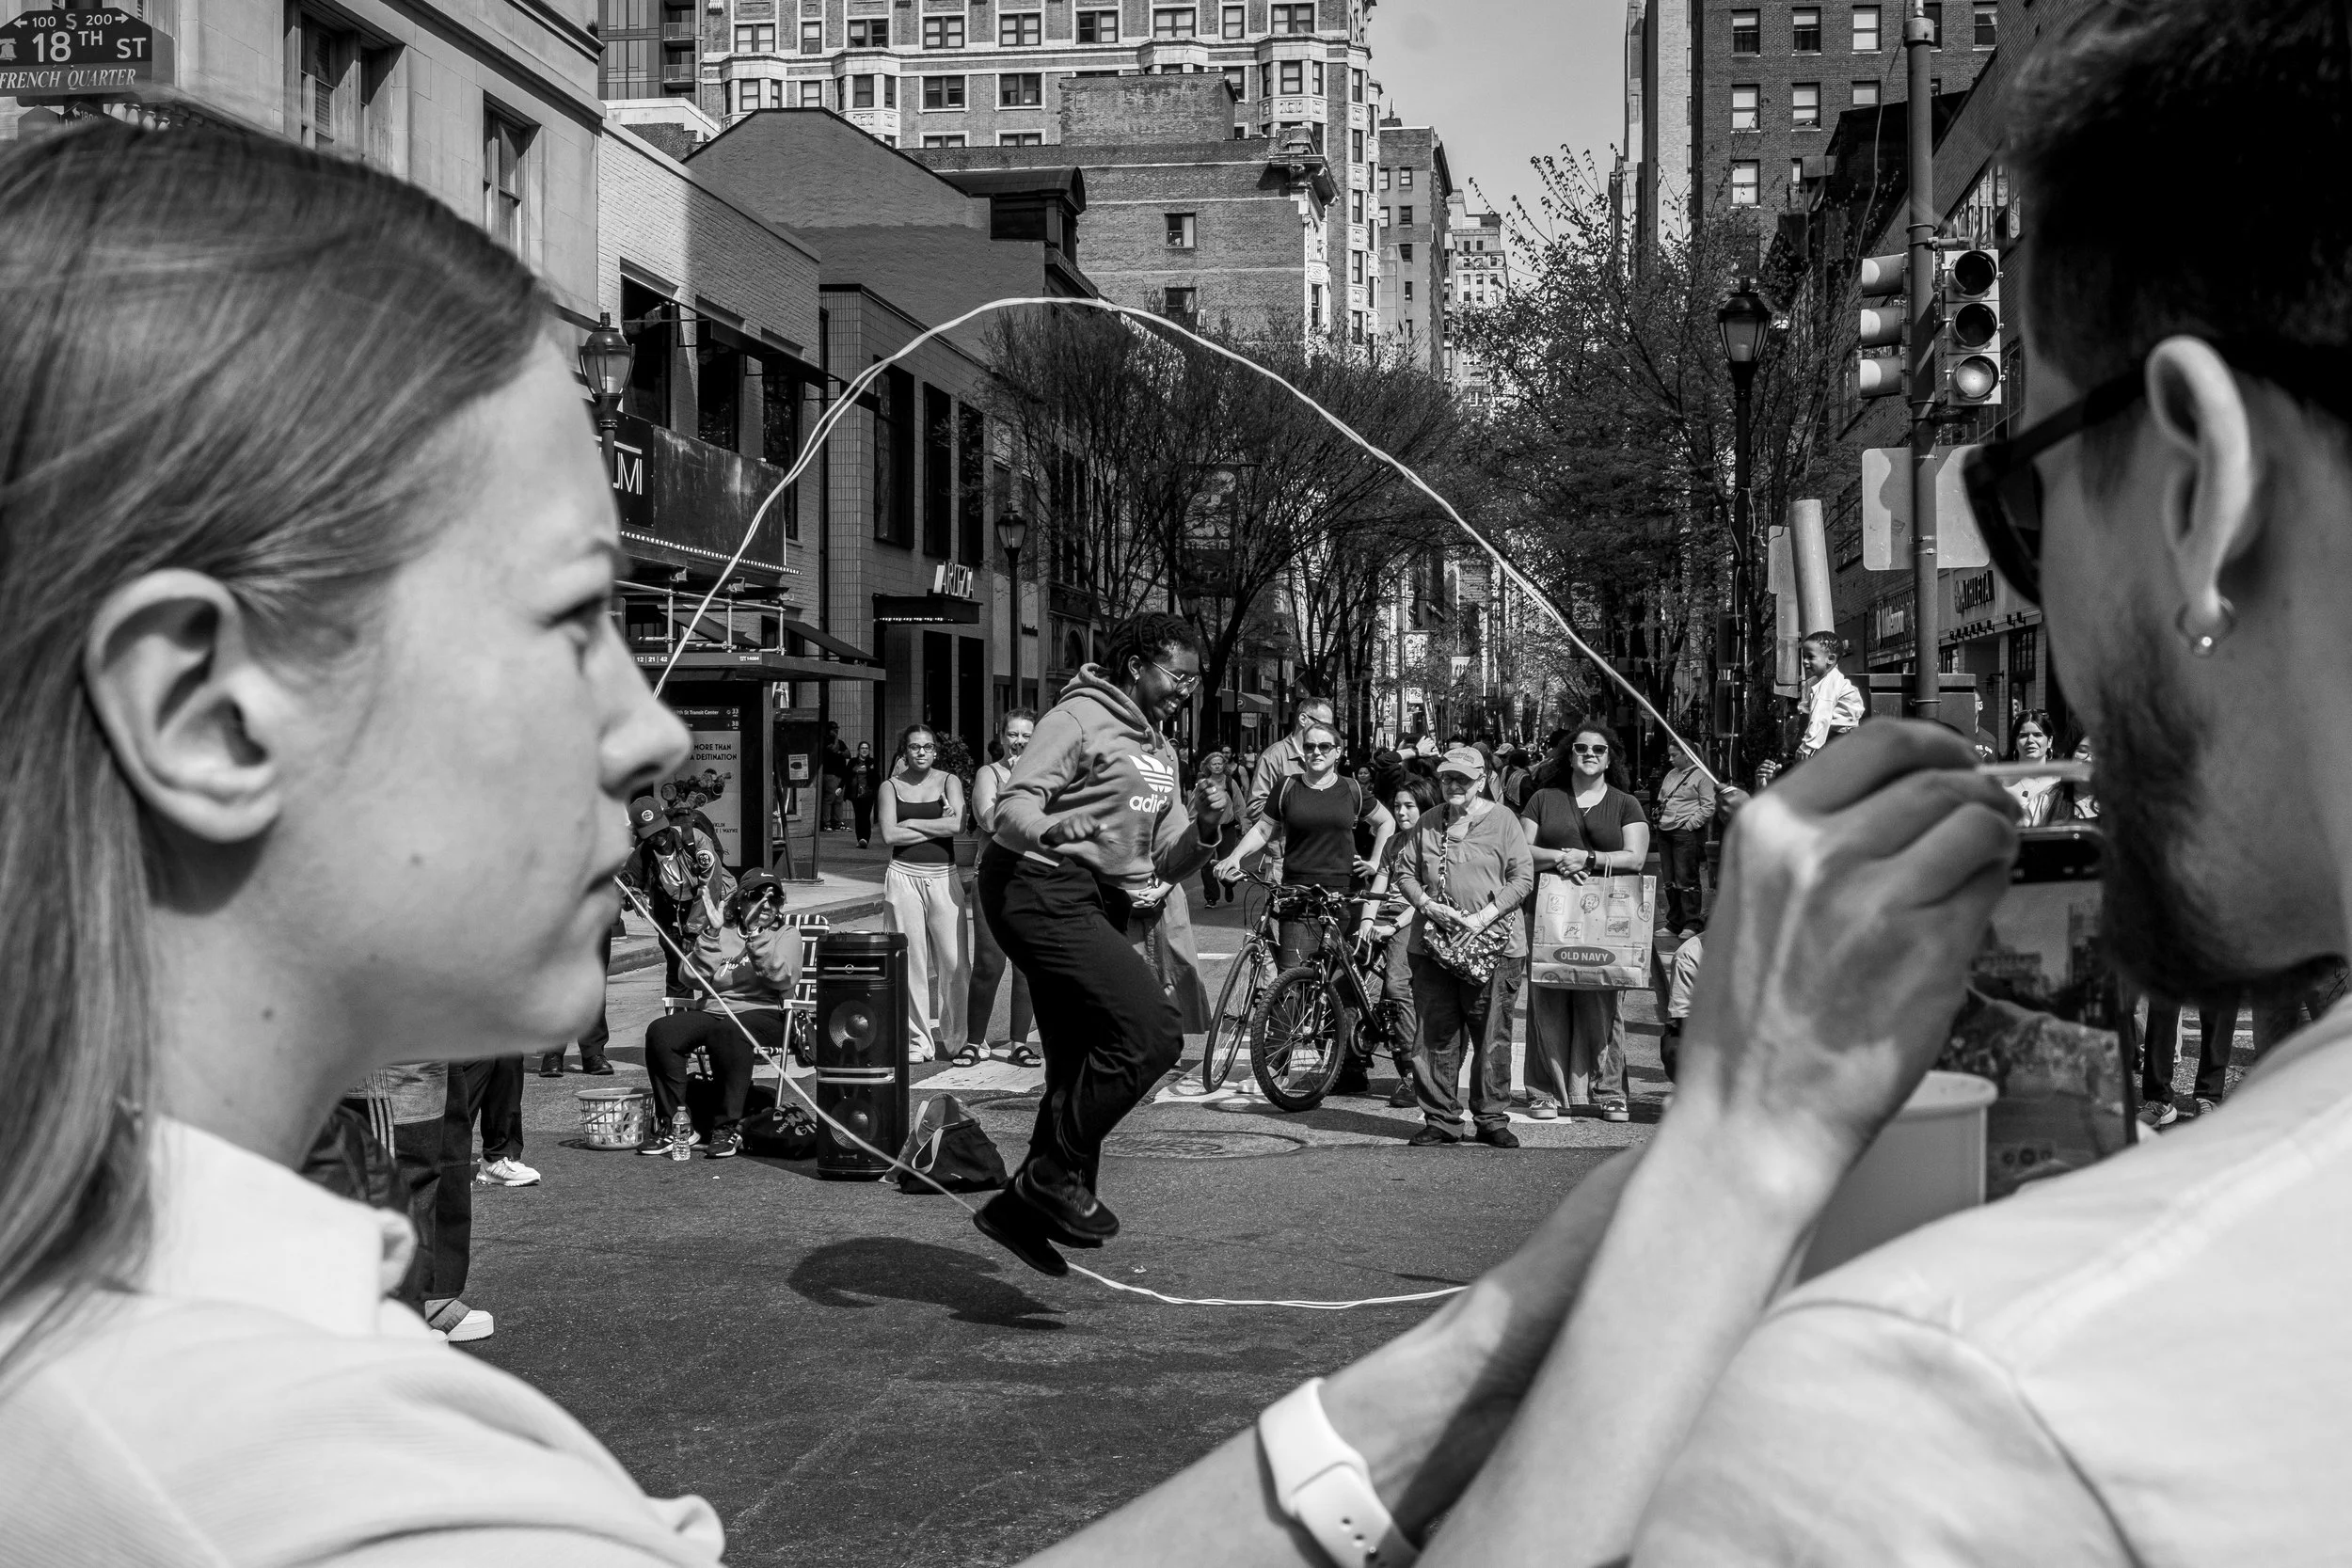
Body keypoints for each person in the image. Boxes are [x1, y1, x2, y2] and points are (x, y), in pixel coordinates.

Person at [1418, 10, 2352, 1560]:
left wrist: (1724, 1176)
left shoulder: (1935, 1416)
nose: (2046, 637)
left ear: (2200, 484)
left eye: (2020, 493)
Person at [974, 613, 1233, 1275]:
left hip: (1090, 897)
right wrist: (1054, 833)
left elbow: (1165, 859)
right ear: (1137, 663)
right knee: (1151, 1033)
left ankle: (1020, 1209)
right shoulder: (1079, 717)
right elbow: (1012, 807)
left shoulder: (1161, 750)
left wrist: (1204, 826)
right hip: (1033, 884)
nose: (1185, 689)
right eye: (1178, 675)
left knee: (1079, 1055)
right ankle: (1052, 1173)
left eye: (1193, 680)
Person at [1391, 746, 1533, 1148]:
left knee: (1492, 1033)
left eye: (1463, 779)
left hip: (1495, 946)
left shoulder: (1504, 820)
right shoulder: (1429, 822)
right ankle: (1441, 1118)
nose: (1453, 785)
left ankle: (1490, 1118)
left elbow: (1522, 879)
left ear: (1483, 780)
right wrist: (1426, 904)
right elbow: (1404, 871)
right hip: (1433, 944)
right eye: (1447, 778)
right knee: (1435, 1033)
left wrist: (1482, 918)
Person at [1518, 721, 1650, 1123]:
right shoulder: (1544, 798)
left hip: (1610, 917)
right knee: (1547, 1000)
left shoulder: (1626, 803)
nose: (1589, 754)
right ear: (1568, 754)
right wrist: (1565, 856)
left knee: (1605, 1001)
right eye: (1581, 748)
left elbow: (1636, 857)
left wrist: (1589, 859)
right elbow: (1523, 850)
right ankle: (1543, 1092)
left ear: (1611, 758)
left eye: (1599, 749)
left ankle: (1609, 1091)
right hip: (1549, 913)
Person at [638, 870, 803, 1159]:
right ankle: (675, 1126)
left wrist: (756, 938)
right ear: (740, 901)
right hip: (714, 1010)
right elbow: (689, 978)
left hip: (763, 1013)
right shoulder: (720, 933)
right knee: (662, 1031)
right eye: (757, 896)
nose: (766, 904)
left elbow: (782, 977)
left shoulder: (786, 934)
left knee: (729, 1031)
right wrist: (711, 935)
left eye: (774, 899)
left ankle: (727, 1127)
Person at [1216, 720, 1395, 973]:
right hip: (1297, 895)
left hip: (1345, 896)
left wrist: (1377, 861)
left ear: (1337, 752)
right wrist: (1235, 856)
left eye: (1324, 746)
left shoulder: (1352, 788)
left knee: (1342, 987)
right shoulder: (1287, 786)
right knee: (1292, 980)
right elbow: (1263, 829)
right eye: (1309, 746)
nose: (1316, 752)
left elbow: (1386, 821)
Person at [879, 723, 969, 1066]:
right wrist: (935, 824)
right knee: (911, 964)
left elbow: (957, 826)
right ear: (904, 751)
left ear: (935, 751)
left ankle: (959, 1039)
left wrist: (911, 825)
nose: (921, 752)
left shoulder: (949, 782)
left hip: (944, 877)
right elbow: (888, 835)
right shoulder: (890, 787)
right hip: (902, 878)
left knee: (955, 962)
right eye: (914, 746)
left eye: (928, 747)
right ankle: (918, 1040)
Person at [964, 709, 1039, 1066]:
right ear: (1002, 735)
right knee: (989, 962)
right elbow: (989, 819)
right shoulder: (988, 773)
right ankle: (974, 1041)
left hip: (1032, 877)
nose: (1019, 742)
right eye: (1013, 735)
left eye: (1026, 735)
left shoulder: (1043, 774)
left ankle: (1019, 1043)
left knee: (1026, 965)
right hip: (992, 876)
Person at [1360, 776, 1436, 1107]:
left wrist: (1393, 926)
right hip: (1384, 915)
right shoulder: (1393, 842)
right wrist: (1365, 919)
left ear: (1425, 808)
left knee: (1396, 985)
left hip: (1412, 917)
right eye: (1397, 807)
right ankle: (1347, 1062)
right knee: (1344, 977)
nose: (1402, 812)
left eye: (1410, 806)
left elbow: (1429, 894)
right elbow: (1379, 883)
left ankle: (1411, 1072)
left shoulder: (1433, 842)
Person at [1651, 738, 1717, 936]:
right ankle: (1675, 922)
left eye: (1674, 755)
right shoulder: (1671, 774)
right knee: (1669, 878)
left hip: (1684, 831)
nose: (1670, 759)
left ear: (1686, 754)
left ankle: (1691, 922)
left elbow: (1709, 805)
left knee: (1686, 877)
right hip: (1665, 830)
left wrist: (1690, 825)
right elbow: (1662, 798)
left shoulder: (1702, 776)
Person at [1246, 694, 1337, 830]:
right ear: (1303, 719)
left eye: (1330, 727)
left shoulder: (1327, 755)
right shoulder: (1274, 757)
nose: (1327, 731)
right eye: (1323, 725)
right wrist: (1298, 812)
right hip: (1284, 848)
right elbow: (1255, 808)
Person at [1792, 631, 1864, 761]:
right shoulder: (1816, 682)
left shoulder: (1829, 684)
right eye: (1803, 656)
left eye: (1810, 657)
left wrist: (1808, 746)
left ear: (1830, 659)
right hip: (1834, 737)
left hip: (1838, 739)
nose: (1804, 661)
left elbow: (1821, 716)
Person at [1192, 748, 1243, 908]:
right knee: (1206, 864)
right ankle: (1211, 898)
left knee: (1226, 862)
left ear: (1224, 765)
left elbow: (1239, 804)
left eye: (1219, 763)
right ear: (1208, 766)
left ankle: (1229, 885)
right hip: (1208, 829)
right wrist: (1188, 825)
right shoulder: (1202, 784)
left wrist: (1245, 824)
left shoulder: (1230, 782)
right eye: (1213, 764)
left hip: (1227, 828)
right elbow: (1193, 807)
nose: (1217, 766)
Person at [2002, 707, 2069, 825]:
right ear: (2015, 742)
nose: (2030, 740)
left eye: (2037, 735)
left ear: (2049, 741)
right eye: (2023, 735)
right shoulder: (2000, 782)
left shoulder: (2061, 782)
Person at [844, 739, 880, 847]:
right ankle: (860, 839)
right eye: (862, 748)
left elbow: (877, 778)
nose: (864, 750)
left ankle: (865, 839)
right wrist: (840, 787)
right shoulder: (853, 762)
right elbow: (846, 775)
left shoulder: (872, 762)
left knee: (866, 816)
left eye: (866, 748)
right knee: (858, 816)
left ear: (869, 751)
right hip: (855, 794)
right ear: (859, 750)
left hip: (868, 794)